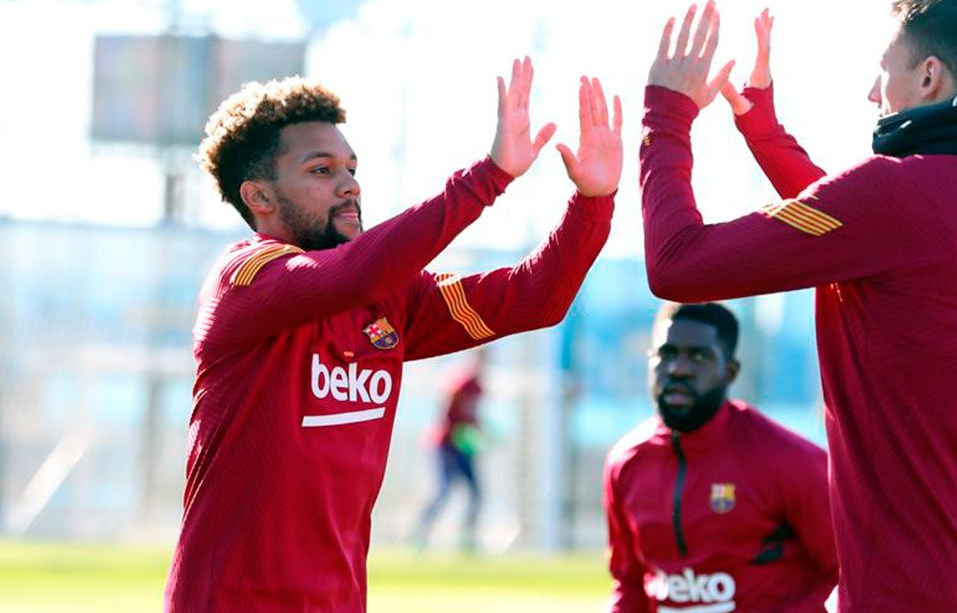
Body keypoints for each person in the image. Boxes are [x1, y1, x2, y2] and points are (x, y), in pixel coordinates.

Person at [639, 0, 957, 612]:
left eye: (882, 71)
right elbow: (859, 239)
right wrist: (762, 127)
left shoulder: (901, 195)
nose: (871, 92)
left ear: (929, 77)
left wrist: (665, 115)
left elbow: (678, 266)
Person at [164, 61, 623, 611]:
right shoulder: (246, 279)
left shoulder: (389, 299)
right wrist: (489, 177)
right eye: (320, 170)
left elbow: (536, 300)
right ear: (259, 197)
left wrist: (592, 203)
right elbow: (357, 271)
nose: (349, 183)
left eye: (351, 167)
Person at [604, 302, 838, 612]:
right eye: (667, 354)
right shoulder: (625, 462)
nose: (679, 369)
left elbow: (847, 572)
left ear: (730, 372)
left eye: (699, 356)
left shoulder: (791, 461)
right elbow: (630, 581)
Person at [413, 348, 489, 551]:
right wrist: (459, 430)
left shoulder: (478, 386)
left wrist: (479, 431)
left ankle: (467, 538)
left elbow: (473, 416)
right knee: (443, 491)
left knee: (476, 492)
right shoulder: (460, 382)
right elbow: (446, 412)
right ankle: (421, 533)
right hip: (446, 444)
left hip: (463, 445)